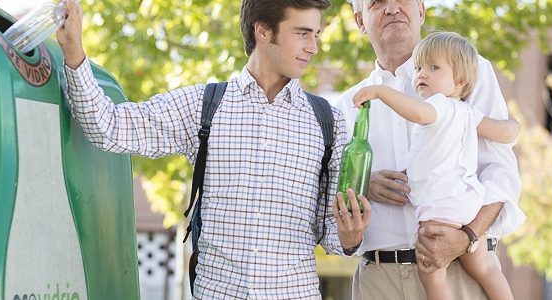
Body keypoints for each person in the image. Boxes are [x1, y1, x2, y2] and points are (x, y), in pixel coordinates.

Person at [55, 0, 371, 298]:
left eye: (315, 35)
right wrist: (73, 52)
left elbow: (332, 235)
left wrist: (350, 236)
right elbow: (109, 127)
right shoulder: (205, 106)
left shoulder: (329, 122)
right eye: (302, 33)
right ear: (262, 31)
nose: (313, 47)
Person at [337, 0, 526, 299]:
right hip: (378, 281)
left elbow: (501, 172)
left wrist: (467, 237)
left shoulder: (467, 68)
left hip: (461, 271)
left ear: (421, 10)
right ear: (360, 21)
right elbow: (331, 206)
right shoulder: (345, 106)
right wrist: (364, 185)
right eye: (377, 2)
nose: (392, 8)